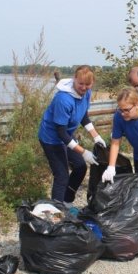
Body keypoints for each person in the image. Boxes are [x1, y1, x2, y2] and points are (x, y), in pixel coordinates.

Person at [38, 65, 106, 206]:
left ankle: (67, 203)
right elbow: (61, 133)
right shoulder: (63, 100)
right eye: (80, 83)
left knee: (81, 167)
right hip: (52, 138)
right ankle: (56, 213)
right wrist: (83, 151)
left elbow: (83, 116)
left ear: (92, 83)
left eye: (87, 84)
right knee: (62, 176)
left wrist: (96, 136)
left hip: (66, 136)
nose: (83, 87)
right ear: (74, 79)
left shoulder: (86, 93)